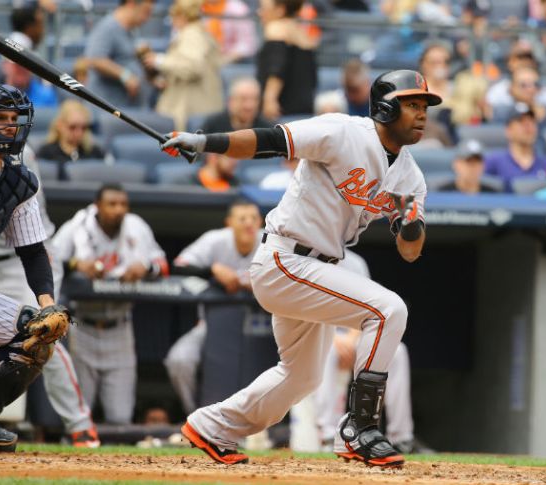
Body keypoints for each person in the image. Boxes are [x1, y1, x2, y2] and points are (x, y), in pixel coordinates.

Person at [161, 69, 439, 467]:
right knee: (389, 309)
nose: (422, 113)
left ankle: (211, 426)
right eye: (412, 104)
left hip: (317, 269)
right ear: (384, 108)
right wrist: (206, 142)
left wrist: (410, 223)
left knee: (302, 377)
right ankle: (360, 427)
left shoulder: (411, 177)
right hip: (285, 259)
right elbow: (271, 140)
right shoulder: (343, 132)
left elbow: (411, 251)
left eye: (425, 106)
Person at [0, 120, 101, 448]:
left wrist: (47, 302)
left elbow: (30, 246)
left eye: (13, 119)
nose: (9, 128)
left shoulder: (18, 165)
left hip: (7, 258)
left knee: (41, 331)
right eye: (0, 119)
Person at [51, 184, 168, 425]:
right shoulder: (77, 227)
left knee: (121, 416)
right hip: (82, 326)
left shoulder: (137, 227)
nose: (119, 209)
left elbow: (163, 265)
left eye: (123, 204)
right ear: (98, 206)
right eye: (112, 204)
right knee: (79, 413)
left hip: (120, 326)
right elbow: (48, 259)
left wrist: (147, 268)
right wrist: (75, 264)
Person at [290, 250, 426, 454]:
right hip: (319, 336)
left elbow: (369, 309)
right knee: (328, 351)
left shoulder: (356, 262)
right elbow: (301, 309)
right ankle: (328, 435)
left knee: (398, 351)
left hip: (353, 336)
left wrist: (351, 339)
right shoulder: (307, 257)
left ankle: (402, 437)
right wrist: (335, 339)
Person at [165, 200, 264, 415]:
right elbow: (178, 266)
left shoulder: (270, 242)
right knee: (179, 360)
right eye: (242, 219)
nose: (249, 223)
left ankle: (269, 424)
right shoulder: (215, 240)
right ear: (229, 223)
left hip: (264, 328)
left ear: (261, 222)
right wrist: (211, 270)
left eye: (254, 218)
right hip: (211, 325)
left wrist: (263, 281)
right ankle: (197, 416)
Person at [139, 0, 224, 131]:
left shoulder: (191, 34)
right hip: (196, 105)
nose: (172, 22)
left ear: (182, 16)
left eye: (173, 17)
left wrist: (159, 61)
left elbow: (193, 67)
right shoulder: (199, 32)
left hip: (191, 108)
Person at [84, 0, 155, 110]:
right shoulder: (108, 26)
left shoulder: (131, 31)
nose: (147, 19)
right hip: (106, 111)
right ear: (131, 4)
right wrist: (125, 75)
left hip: (126, 108)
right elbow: (95, 59)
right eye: (146, 11)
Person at [256, 0, 319, 119]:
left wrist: (270, 99)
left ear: (280, 10)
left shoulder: (276, 29)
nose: (259, 12)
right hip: (303, 109)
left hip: (281, 110)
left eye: (263, 8)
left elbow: (276, 68)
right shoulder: (300, 31)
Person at [484, 103, 546, 192]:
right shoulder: (493, 162)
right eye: (521, 121)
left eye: (532, 121)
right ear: (508, 130)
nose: (528, 126)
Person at [36, 100, 106, 178]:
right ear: (60, 125)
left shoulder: (96, 153)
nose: (79, 133)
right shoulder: (46, 153)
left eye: (84, 128)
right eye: (72, 127)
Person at [201, 77, 274, 134]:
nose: (249, 105)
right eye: (243, 99)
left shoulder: (268, 129)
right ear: (230, 101)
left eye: (255, 99)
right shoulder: (212, 125)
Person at [202, 0, 259, 64]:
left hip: (234, 62)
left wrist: (224, 60)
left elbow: (247, 45)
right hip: (205, 59)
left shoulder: (237, 8)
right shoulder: (199, 8)